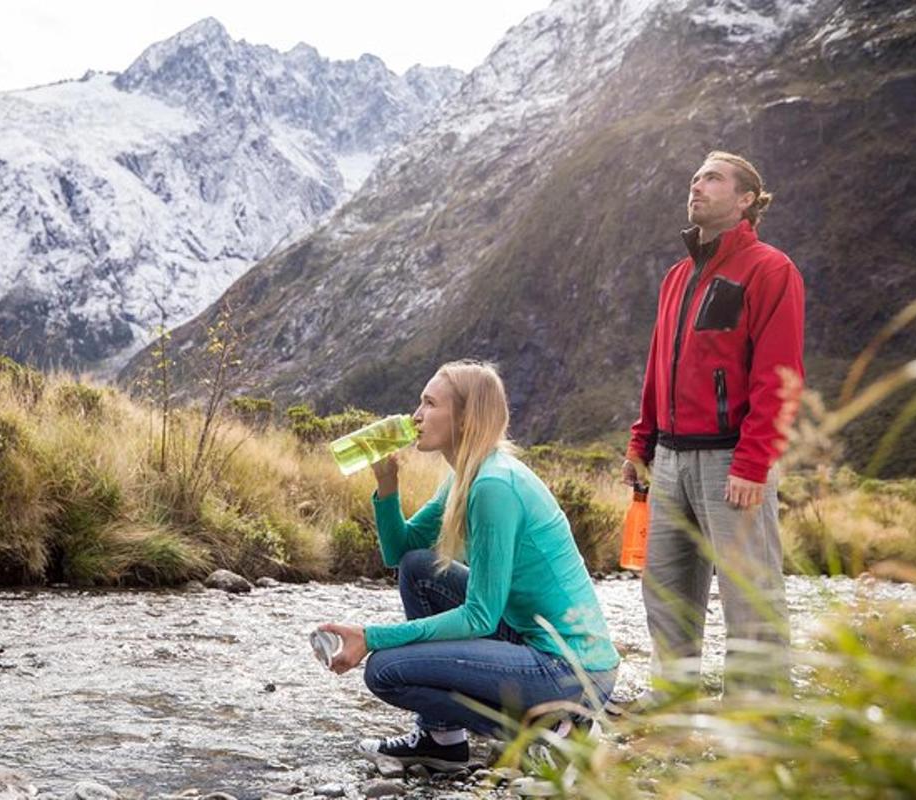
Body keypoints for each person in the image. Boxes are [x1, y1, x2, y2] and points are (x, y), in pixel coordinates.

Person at [318, 360, 619, 772]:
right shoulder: (465, 475)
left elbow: (480, 616)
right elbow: (400, 552)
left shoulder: (494, 485)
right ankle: (441, 739)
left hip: (571, 670)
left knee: (385, 670)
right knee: (420, 568)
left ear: (465, 417)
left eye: (429, 404)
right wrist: (387, 485)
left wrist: (372, 637)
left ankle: (561, 731)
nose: (415, 416)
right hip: (532, 640)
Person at [622, 150, 804, 698]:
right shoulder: (677, 277)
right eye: (696, 177)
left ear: (746, 199)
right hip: (671, 461)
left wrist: (754, 462)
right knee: (667, 590)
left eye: (713, 178)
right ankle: (673, 703)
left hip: (734, 459)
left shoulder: (771, 270)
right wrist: (642, 443)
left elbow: (780, 377)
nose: (697, 185)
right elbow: (659, 365)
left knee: (750, 592)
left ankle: (755, 716)